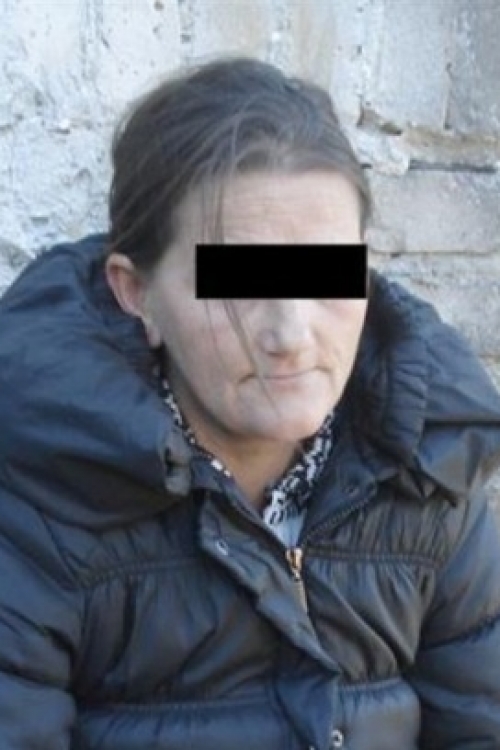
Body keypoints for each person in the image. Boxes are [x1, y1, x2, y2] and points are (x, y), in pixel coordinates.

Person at [0, 56, 499, 750]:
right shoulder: (40, 507)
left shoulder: (426, 471)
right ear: (136, 293)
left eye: (327, 273)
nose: (291, 336)